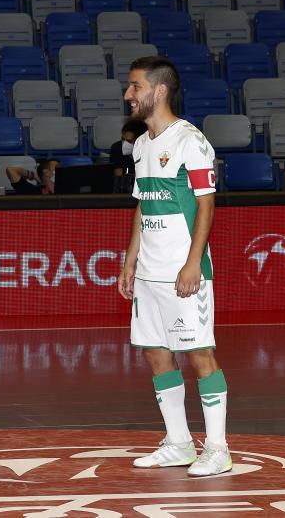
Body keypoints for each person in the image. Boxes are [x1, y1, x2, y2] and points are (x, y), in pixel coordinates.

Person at [118, 56, 230, 477]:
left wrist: (192, 263)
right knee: (155, 354)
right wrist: (130, 260)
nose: (128, 95)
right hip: (148, 274)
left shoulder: (191, 141)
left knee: (200, 354)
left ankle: (217, 449)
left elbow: (206, 204)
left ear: (159, 90)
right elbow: (142, 206)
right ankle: (179, 444)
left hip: (183, 270)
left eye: (135, 86)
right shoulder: (142, 145)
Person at [110, 119, 147, 193]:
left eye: (129, 141)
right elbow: (119, 180)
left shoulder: (150, 150)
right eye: (123, 139)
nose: (125, 144)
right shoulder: (117, 148)